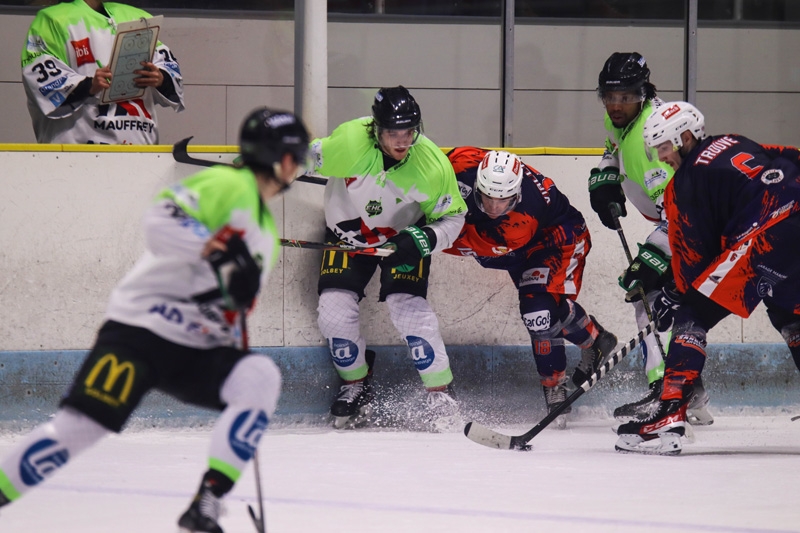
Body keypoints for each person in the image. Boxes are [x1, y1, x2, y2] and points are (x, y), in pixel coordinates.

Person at [0, 107, 310, 532]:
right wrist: (215, 253)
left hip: (194, 350)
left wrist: (236, 298)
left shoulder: (266, 233)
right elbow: (161, 220)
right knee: (78, 430)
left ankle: (206, 502)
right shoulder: (228, 184)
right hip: (141, 332)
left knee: (258, 377)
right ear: (285, 160)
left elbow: (233, 302)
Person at [615, 101, 800, 455]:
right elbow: (788, 156)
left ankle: (669, 411)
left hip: (767, 234)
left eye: (664, 147)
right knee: (790, 315)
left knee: (693, 313)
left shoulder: (687, 180)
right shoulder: (734, 141)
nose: (662, 157)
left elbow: (693, 253)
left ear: (685, 137)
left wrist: (675, 295)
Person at [307, 86, 467, 431]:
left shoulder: (431, 164)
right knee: (333, 311)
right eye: (394, 133)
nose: (402, 141)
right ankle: (355, 384)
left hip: (403, 240)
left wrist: (424, 239)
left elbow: (454, 218)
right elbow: (306, 157)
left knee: (408, 309)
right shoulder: (351, 142)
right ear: (376, 129)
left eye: (409, 131)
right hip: (346, 236)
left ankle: (441, 392)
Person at [445, 147, 618, 428]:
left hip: (557, 238)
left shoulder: (521, 220)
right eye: (487, 197)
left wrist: (421, 236)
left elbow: (456, 241)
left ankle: (554, 387)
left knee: (538, 313)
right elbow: (431, 165)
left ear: (517, 193)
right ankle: (595, 338)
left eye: (503, 200)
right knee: (544, 309)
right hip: (518, 247)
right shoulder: (463, 160)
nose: (494, 207)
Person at [588, 51, 713, 425]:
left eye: (625, 97)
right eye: (610, 97)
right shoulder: (622, 119)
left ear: (642, 94)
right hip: (677, 221)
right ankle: (690, 392)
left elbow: (683, 213)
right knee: (661, 299)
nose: (616, 105)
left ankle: (668, 390)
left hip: (697, 226)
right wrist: (606, 176)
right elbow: (612, 146)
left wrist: (655, 258)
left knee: (651, 298)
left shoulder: (653, 141)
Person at [21, 0, 185, 144]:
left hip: (140, 152)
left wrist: (160, 78)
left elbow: (169, 68)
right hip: (76, 154)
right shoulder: (53, 20)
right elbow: (42, 83)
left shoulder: (137, 17)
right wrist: (89, 85)